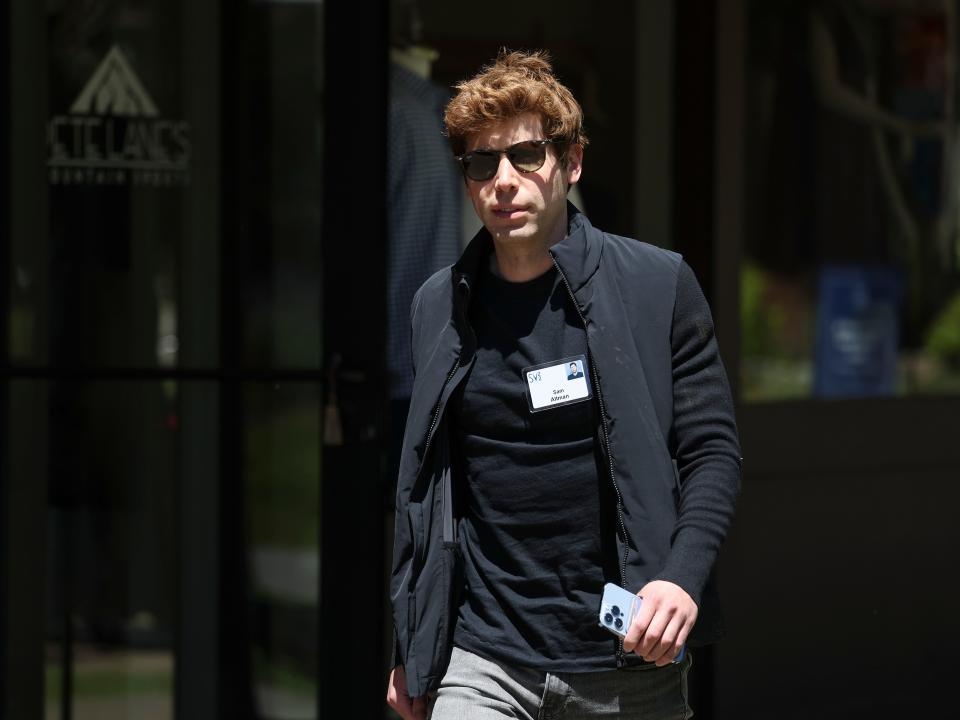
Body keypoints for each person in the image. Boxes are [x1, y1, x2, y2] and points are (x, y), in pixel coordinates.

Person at [386, 49, 741, 720]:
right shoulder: (439, 306)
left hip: (625, 662)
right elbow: (425, 494)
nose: (504, 181)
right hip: (484, 658)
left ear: (571, 162)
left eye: (526, 157)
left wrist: (681, 577)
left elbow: (712, 452)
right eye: (481, 164)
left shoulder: (657, 285)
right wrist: (415, 640)